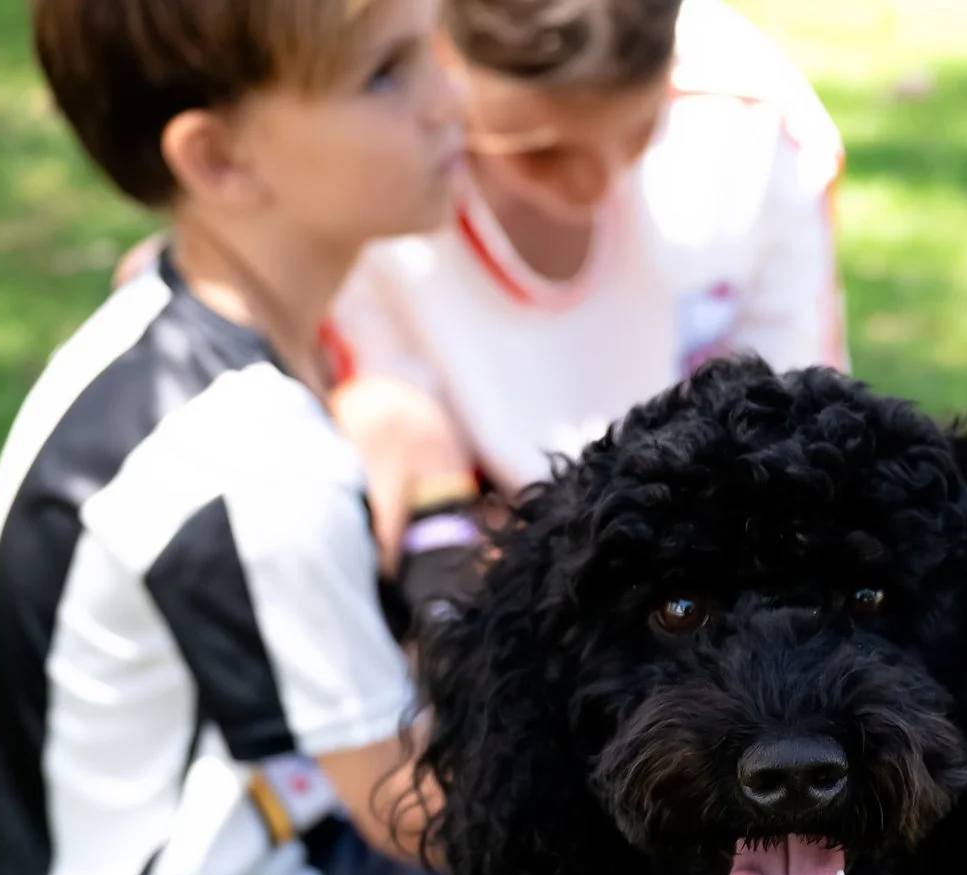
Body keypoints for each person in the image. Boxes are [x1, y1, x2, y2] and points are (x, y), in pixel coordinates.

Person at [0, 0, 466, 875]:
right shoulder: (257, 465)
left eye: (434, 47)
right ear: (221, 157)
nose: (447, 97)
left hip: (208, 814)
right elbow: (408, 808)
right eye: (387, 75)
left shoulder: (168, 294)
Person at [324, 0, 845, 553]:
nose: (593, 186)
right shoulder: (368, 171)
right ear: (443, 62)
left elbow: (798, 424)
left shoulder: (752, 126)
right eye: (542, 154)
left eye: (642, 132)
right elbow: (400, 436)